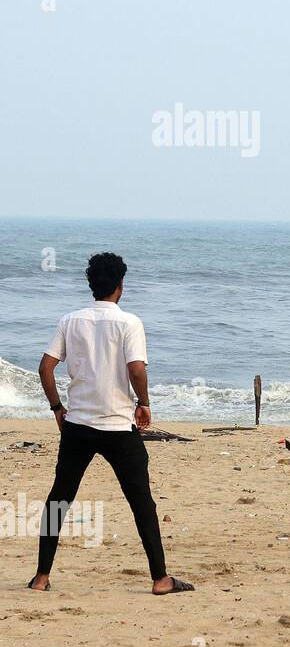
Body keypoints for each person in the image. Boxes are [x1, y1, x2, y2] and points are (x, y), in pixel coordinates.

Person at [29, 252, 193, 595]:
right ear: (120, 286)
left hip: (77, 425)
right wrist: (144, 403)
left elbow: (45, 368)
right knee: (141, 503)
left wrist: (57, 408)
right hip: (119, 427)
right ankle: (160, 579)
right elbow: (136, 369)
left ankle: (42, 577)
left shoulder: (69, 320)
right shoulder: (128, 322)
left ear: (92, 285)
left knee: (59, 499)